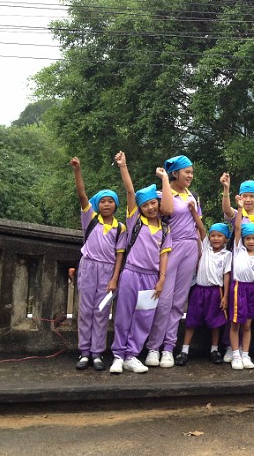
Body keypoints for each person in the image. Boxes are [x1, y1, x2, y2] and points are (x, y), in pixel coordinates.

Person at [109, 151, 173, 374]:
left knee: (144, 317)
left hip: (151, 277)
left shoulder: (165, 229)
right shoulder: (135, 220)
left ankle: (132, 355)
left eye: (153, 203)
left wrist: (162, 279)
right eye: (146, 205)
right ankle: (118, 355)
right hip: (131, 273)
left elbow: (164, 255)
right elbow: (129, 191)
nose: (151, 208)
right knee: (124, 314)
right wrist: (123, 166)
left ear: (158, 203)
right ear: (140, 208)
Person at [69, 157, 126, 372]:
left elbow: (119, 255)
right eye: (103, 201)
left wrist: (114, 278)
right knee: (85, 311)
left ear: (116, 205)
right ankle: (84, 352)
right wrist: (77, 171)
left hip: (107, 270)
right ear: (97, 204)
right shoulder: (90, 218)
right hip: (88, 267)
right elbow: (82, 195)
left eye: (110, 201)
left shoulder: (120, 228)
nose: (106, 204)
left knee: (101, 312)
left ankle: (97, 352)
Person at [145, 155, 199, 369]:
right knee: (163, 300)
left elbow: (197, 224)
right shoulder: (162, 194)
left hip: (190, 247)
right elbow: (166, 211)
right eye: (187, 172)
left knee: (178, 302)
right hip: (170, 246)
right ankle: (153, 347)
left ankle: (168, 347)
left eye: (192, 172)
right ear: (175, 172)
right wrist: (165, 180)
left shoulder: (192, 196)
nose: (190, 176)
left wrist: (200, 252)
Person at [175, 213, 232, 367]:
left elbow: (227, 276)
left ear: (226, 239)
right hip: (199, 291)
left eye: (219, 236)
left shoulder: (227, 255)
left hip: (216, 292)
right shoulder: (206, 247)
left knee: (215, 322)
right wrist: (193, 211)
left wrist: (226, 296)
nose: (215, 238)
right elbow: (201, 228)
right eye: (213, 235)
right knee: (191, 320)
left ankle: (214, 350)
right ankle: (184, 350)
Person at [227, 196, 254, 370]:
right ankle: (235, 354)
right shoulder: (238, 250)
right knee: (235, 323)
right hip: (238, 288)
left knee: (248, 324)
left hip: (251, 290)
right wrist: (240, 208)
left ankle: (245, 353)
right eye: (248, 238)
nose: (251, 241)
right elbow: (237, 227)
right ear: (243, 240)